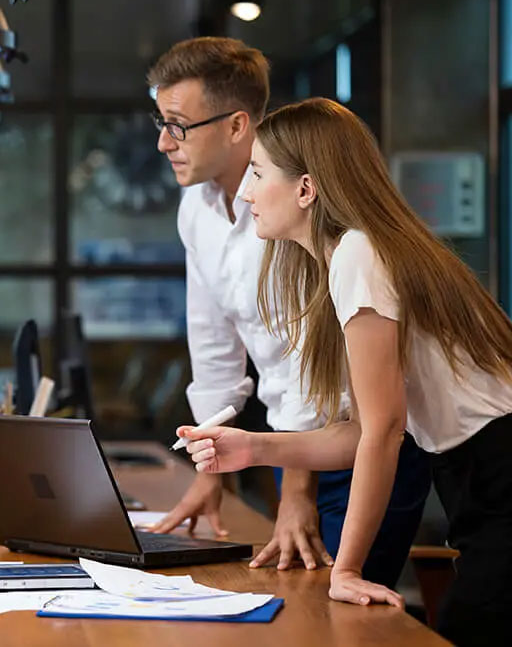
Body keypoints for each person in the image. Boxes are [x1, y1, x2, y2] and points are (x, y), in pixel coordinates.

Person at [180, 97, 512, 646]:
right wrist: (253, 447)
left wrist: (348, 571)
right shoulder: (345, 259)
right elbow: (357, 432)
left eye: (258, 173)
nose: (245, 191)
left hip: (496, 466)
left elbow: (383, 432)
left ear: (306, 189)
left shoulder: (359, 255)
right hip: (473, 476)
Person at [145, 37, 430, 586]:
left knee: (330, 604)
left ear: (236, 125)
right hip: (301, 442)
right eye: (160, 122)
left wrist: (294, 493)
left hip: (355, 439)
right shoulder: (197, 209)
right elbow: (212, 346)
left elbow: (308, 362)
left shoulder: (291, 217)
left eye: (178, 125)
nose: (163, 142)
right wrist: (208, 471)